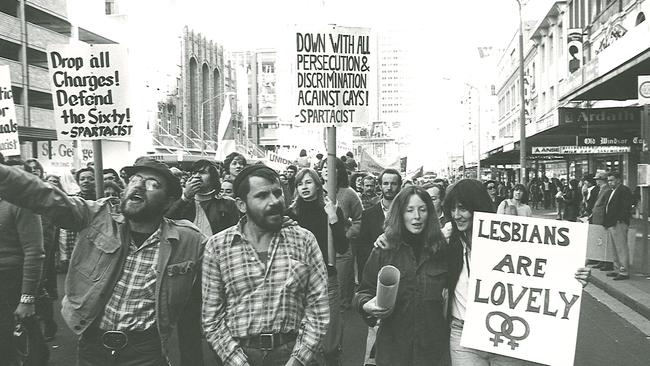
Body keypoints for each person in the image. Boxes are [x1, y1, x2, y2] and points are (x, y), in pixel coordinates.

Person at [0, 157, 206, 365]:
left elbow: (202, 298)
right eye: (134, 179)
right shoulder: (97, 216)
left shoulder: (188, 240)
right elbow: (45, 196)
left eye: (152, 184)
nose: (139, 186)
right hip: (93, 345)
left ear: (169, 201)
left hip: (146, 350)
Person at [442, 179, 590, 365]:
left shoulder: (509, 240)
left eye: (463, 209)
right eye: (452, 209)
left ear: (477, 207)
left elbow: (542, 269)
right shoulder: (449, 240)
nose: (456, 215)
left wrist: (573, 276)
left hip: (507, 336)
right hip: (463, 333)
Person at [202, 164, 329, 366]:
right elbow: (212, 319)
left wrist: (298, 359)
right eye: (262, 196)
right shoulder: (218, 247)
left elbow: (318, 308)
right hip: (239, 353)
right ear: (241, 205)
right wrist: (238, 363)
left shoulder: (304, 240)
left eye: (277, 193)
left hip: (293, 351)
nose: (274, 201)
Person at [354, 186, 448, 366]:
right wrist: (367, 305)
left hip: (432, 350)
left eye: (422, 209)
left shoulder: (441, 249)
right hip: (393, 350)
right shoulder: (384, 249)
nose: (417, 217)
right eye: (409, 210)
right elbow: (363, 291)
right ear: (399, 213)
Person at [288, 168, 348, 365]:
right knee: (302, 336)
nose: (304, 187)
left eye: (308, 182)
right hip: (300, 279)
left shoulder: (330, 209)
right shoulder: (291, 214)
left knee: (330, 339)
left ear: (318, 184)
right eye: (300, 184)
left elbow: (342, 246)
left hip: (327, 277)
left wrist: (333, 218)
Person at [0, 160, 46, 365]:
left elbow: (34, 252)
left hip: (11, 280)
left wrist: (27, 298)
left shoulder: (20, 203)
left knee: (10, 342)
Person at [355, 168, 401, 366]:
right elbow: (362, 247)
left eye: (393, 183)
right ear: (380, 186)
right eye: (386, 183)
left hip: (402, 275)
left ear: (399, 186)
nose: (389, 187)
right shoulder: (369, 214)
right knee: (375, 328)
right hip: (376, 279)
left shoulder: (406, 212)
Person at [322, 158, 363, 310]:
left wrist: (346, 235)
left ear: (340, 172)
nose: (327, 170)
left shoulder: (349, 194)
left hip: (342, 251)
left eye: (332, 167)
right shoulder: (315, 190)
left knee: (340, 298)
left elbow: (360, 219)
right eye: (324, 167)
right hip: (320, 249)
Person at [166, 159, 239, 237]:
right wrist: (186, 197)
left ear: (213, 178)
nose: (197, 176)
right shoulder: (180, 201)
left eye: (202, 173)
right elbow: (167, 221)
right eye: (194, 173)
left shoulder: (228, 204)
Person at [603, 172, 633, 280]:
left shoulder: (623, 190)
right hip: (611, 223)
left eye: (612, 180)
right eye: (609, 181)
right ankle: (617, 269)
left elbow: (626, 206)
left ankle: (624, 271)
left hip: (618, 223)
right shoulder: (612, 191)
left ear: (618, 180)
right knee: (614, 248)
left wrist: (620, 219)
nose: (610, 182)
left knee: (621, 248)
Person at [590, 172, 614, 272]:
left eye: (597, 179)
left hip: (601, 219)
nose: (596, 181)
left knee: (604, 241)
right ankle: (601, 260)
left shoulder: (606, 190)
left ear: (602, 180)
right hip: (597, 218)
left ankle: (606, 262)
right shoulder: (602, 189)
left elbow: (606, 206)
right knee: (599, 240)